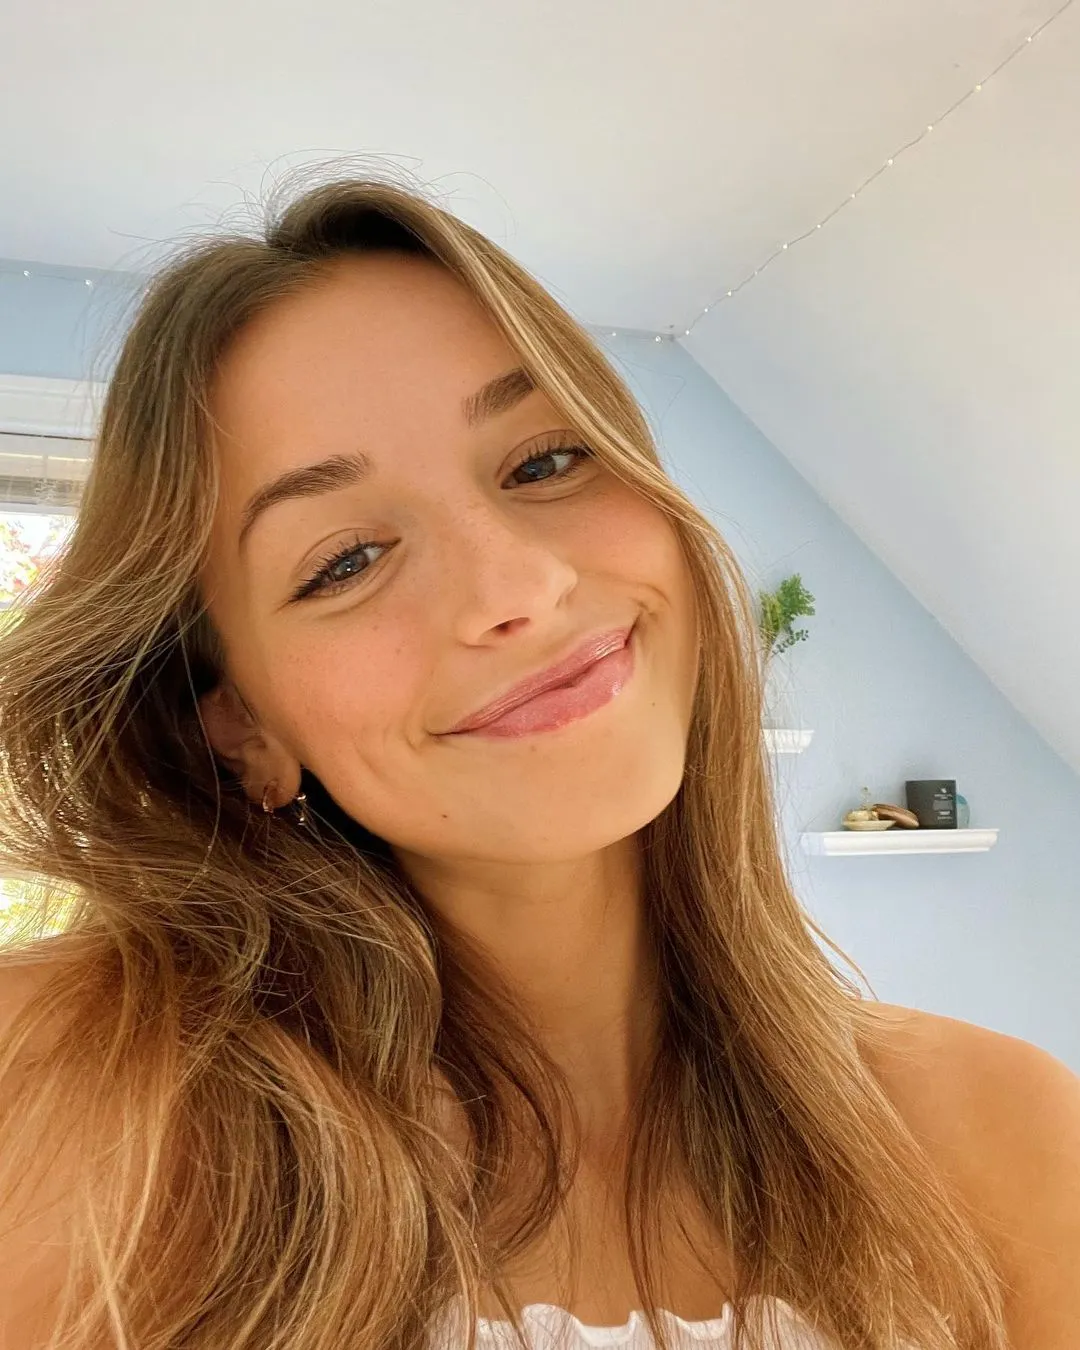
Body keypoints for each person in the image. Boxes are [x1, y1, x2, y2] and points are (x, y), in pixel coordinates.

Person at [0, 167, 1076, 1350]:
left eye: (546, 461)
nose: (518, 586)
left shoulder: (1006, 1130)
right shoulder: (58, 1089)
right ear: (241, 730)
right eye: (345, 561)